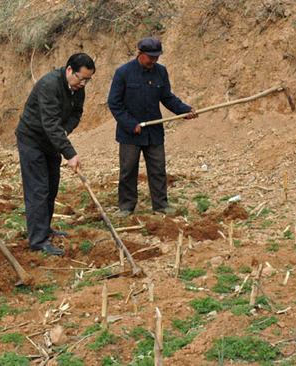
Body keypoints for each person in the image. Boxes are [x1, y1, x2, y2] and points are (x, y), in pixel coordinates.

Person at [15, 53, 96, 256]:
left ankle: (45, 228)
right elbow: (49, 123)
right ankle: (38, 240)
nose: (84, 83)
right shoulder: (49, 85)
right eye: (81, 78)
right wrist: (70, 153)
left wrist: (64, 132)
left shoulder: (78, 89)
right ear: (69, 70)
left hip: (52, 142)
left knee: (51, 187)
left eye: (88, 79)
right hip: (32, 140)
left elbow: (77, 114)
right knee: (38, 190)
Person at [107, 37, 198, 216]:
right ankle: (126, 207)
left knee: (158, 169)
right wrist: (130, 123)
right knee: (128, 170)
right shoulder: (123, 73)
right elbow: (114, 103)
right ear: (140, 53)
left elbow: (167, 98)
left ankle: (161, 205)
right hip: (130, 133)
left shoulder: (161, 72)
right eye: (151, 57)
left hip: (154, 132)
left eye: (157, 57)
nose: (154, 61)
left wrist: (185, 111)